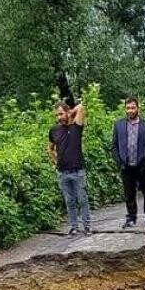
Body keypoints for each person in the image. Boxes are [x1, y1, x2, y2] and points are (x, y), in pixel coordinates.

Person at [111, 97, 145, 228]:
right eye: (128, 108)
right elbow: (114, 146)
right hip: (126, 166)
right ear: (125, 109)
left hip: (143, 165)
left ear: (138, 108)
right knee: (129, 194)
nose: (130, 110)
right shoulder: (118, 125)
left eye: (133, 108)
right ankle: (131, 218)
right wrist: (119, 163)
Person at [48, 99, 91, 234]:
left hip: (77, 171)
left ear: (67, 112)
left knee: (82, 200)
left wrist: (70, 113)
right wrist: (55, 161)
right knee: (69, 201)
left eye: (61, 114)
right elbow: (50, 148)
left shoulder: (76, 127)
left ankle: (87, 226)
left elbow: (81, 107)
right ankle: (74, 227)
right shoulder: (54, 130)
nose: (59, 117)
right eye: (57, 115)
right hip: (63, 172)